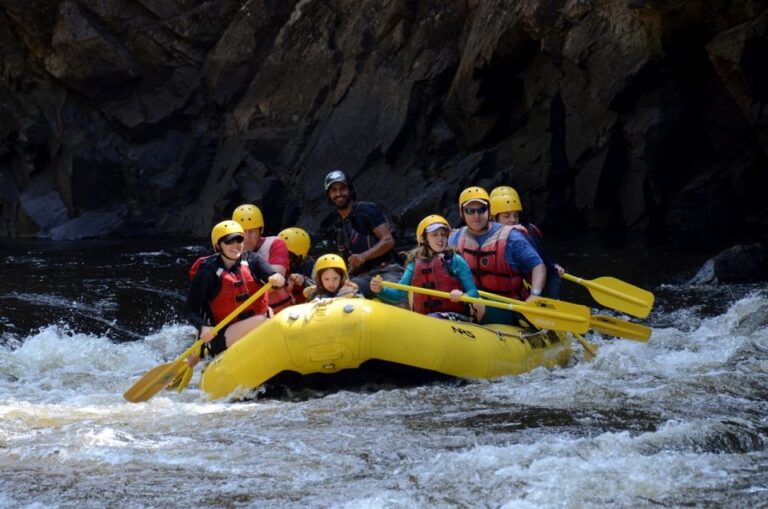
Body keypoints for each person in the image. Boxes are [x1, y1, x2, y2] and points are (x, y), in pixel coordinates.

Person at [185, 220, 286, 360]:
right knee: (262, 321)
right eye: (229, 241)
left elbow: (272, 276)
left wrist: (277, 278)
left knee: (266, 315)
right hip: (222, 335)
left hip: (258, 323)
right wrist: (203, 327)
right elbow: (190, 310)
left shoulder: (253, 260)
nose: (235, 245)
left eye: (239, 239)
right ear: (218, 246)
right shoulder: (207, 273)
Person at [449, 186, 547, 326]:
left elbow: (538, 266)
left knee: (474, 305)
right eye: (470, 211)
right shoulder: (455, 238)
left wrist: (535, 294)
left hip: (509, 306)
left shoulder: (512, 238)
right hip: (472, 298)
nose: (476, 216)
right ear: (461, 213)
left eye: (481, 210)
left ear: (489, 211)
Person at [370, 214, 484, 321]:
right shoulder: (414, 265)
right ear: (424, 239)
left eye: (443, 234)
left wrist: (463, 295)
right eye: (434, 235)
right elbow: (398, 294)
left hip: (455, 317)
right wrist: (380, 289)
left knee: (433, 318)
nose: (440, 239)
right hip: (426, 320)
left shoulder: (456, 260)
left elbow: (473, 291)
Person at [323, 169, 404, 300]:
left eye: (342, 188)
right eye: (333, 190)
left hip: (387, 271)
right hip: (362, 277)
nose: (338, 194)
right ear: (329, 195)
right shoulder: (337, 224)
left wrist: (364, 256)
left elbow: (388, 240)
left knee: (397, 297)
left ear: (350, 190)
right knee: (342, 295)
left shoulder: (367, 210)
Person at [490, 187, 564, 298]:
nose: (513, 220)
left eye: (516, 215)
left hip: (535, 290)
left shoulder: (528, 232)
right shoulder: (484, 237)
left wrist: (554, 266)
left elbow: (548, 263)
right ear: (494, 218)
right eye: (506, 216)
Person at [232, 204, 294, 313]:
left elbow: (273, 283)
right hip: (247, 316)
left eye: (252, 231)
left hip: (279, 312)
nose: (246, 238)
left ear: (261, 231)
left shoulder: (275, 244)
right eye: (242, 232)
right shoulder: (228, 250)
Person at [278, 226, 316, 305]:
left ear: (299, 256)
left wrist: (304, 281)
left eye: (288, 254)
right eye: (279, 251)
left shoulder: (311, 266)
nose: (282, 257)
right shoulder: (274, 262)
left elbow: (321, 288)